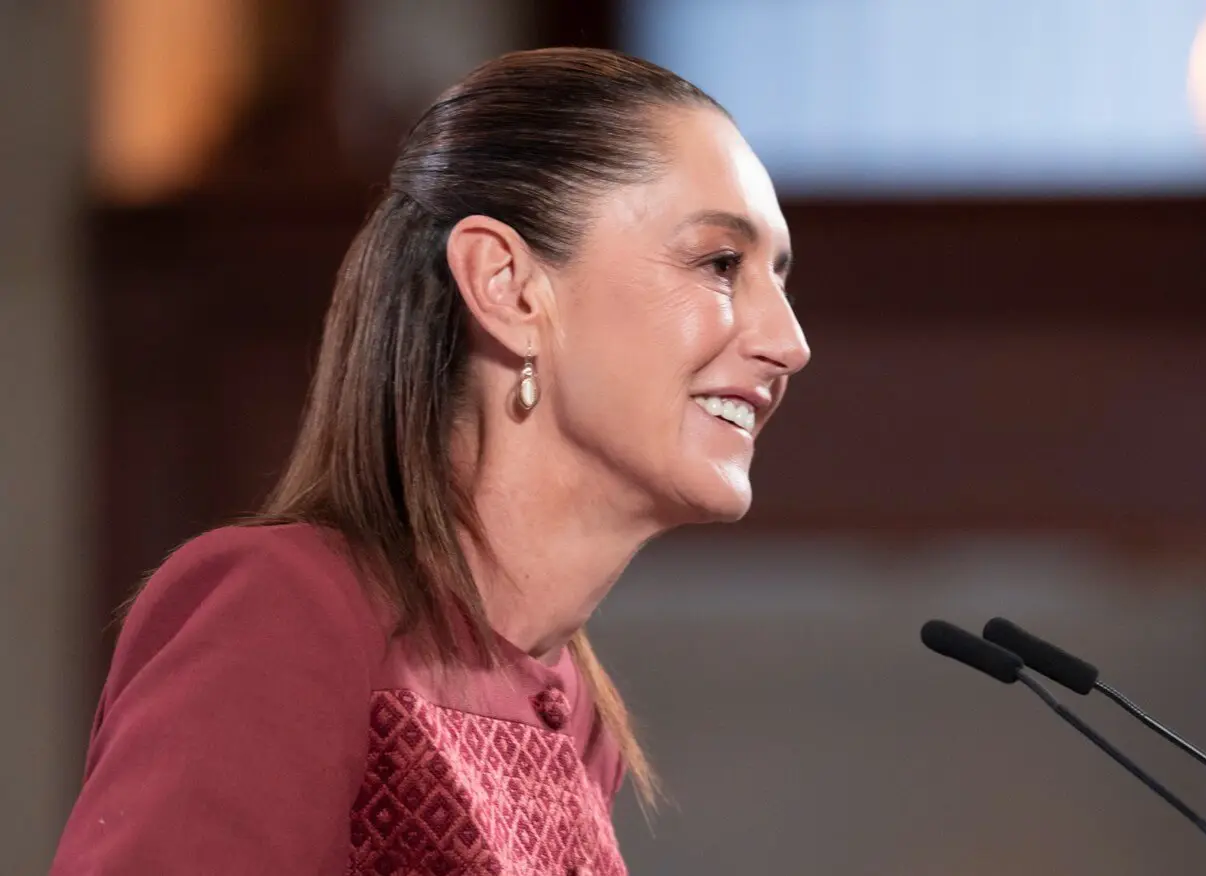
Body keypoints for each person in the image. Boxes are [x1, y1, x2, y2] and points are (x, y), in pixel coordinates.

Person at [50, 47, 809, 876]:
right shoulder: (285, 611)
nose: (789, 343)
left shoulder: (580, 717)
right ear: (506, 285)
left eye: (778, 278)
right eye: (720, 264)